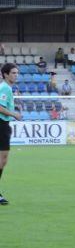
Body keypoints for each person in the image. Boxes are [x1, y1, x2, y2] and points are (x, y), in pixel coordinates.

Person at [0, 64, 23, 205]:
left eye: (17, 73)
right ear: (5, 74)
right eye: (13, 73)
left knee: (3, 160)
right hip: (1, 124)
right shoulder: (4, 88)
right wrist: (13, 113)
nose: (16, 75)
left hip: (3, 125)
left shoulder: (7, 88)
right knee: (2, 160)